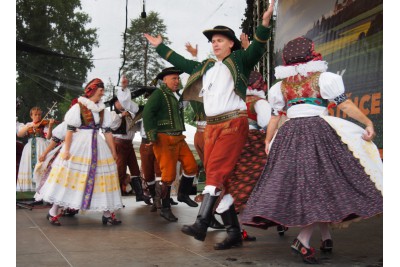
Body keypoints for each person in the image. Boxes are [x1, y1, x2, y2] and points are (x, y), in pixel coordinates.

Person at [144, 0, 274, 250]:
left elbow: (257, 48)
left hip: (233, 124)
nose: (215, 43)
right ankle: (234, 233)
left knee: (215, 171)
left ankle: (202, 223)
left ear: (231, 44)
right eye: (213, 40)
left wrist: (265, 23)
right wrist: (160, 46)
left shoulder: (240, 61)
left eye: (220, 40)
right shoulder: (206, 67)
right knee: (220, 180)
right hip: (212, 127)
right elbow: (181, 63)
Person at [240, 37, 383, 264]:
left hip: (290, 135)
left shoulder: (281, 86)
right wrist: (368, 122)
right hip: (318, 131)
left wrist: (269, 140)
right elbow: (344, 104)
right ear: (312, 53)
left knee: (314, 186)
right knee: (320, 186)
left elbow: (277, 116)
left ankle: (325, 236)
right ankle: (303, 239)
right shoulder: (324, 78)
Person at [38, 78, 123, 226]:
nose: (102, 91)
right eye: (100, 88)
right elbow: (70, 130)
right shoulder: (79, 107)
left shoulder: (102, 109)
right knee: (69, 176)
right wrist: (66, 150)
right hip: (80, 145)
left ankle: (107, 213)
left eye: (102, 89)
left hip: (97, 144)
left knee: (101, 177)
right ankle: (53, 211)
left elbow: (108, 132)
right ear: (92, 90)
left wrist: (113, 151)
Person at [142, 67, 199, 222]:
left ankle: (183, 194)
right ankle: (165, 208)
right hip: (164, 139)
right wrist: (152, 135)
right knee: (168, 175)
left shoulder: (175, 95)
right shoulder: (158, 94)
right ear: (165, 80)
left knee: (192, 166)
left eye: (177, 78)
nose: (176, 81)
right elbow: (148, 113)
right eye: (173, 78)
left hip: (179, 137)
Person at [109, 75, 150, 203]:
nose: (121, 104)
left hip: (129, 144)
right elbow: (111, 126)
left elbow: (135, 128)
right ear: (115, 103)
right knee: (119, 171)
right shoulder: (112, 114)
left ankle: (139, 194)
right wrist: (121, 115)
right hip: (119, 145)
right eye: (119, 102)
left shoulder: (130, 114)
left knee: (135, 169)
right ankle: (114, 197)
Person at [16, 107, 55, 192]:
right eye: (35, 115)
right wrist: (29, 126)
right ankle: (31, 191)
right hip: (29, 148)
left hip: (41, 146)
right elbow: (19, 134)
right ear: (31, 116)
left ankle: (41, 191)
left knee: (41, 166)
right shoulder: (28, 125)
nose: (38, 116)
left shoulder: (44, 125)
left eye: (39, 115)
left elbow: (48, 137)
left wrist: (51, 126)